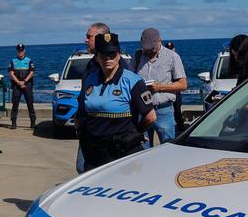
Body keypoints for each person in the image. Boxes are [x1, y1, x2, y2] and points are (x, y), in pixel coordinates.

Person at [76, 32, 156, 170]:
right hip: (94, 153)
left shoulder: (132, 81)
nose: (108, 58)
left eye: (112, 54)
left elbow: (150, 117)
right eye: (104, 54)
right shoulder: (90, 79)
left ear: (119, 55)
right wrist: (80, 132)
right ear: (96, 56)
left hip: (122, 152)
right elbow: (81, 111)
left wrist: (135, 134)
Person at [132, 27, 186, 146]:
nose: (148, 51)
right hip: (142, 111)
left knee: (168, 149)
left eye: (152, 48)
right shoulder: (137, 56)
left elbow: (183, 84)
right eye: (146, 48)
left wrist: (159, 87)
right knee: (141, 150)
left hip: (163, 110)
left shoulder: (172, 57)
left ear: (160, 41)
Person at [75, 22, 112, 174]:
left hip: (105, 129)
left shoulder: (115, 66)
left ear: (100, 39)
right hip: (88, 128)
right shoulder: (91, 65)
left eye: (89, 37)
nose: (85, 40)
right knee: (83, 167)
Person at [8, 43, 35, 129]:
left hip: (27, 85)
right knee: (15, 104)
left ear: (24, 51)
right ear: (17, 51)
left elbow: (32, 73)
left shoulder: (29, 61)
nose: (20, 52)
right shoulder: (13, 61)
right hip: (16, 85)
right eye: (19, 51)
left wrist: (24, 81)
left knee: (30, 104)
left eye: (22, 51)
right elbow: (11, 74)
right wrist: (19, 82)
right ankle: (13, 122)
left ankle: (33, 122)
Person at [165, 41, 187, 132]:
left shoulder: (177, 59)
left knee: (177, 109)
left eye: (171, 49)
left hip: (175, 88)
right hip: (166, 88)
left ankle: (180, 127)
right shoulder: (164, 59)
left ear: (174, 49)